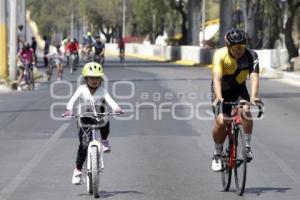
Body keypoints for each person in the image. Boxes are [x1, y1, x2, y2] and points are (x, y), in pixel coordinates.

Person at [64, 62, 123, 185]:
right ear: (86, 79)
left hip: (99, 116)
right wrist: (68, 110)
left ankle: (105, 140)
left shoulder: (102, 90)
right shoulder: (81, 89)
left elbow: (111, 101)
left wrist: (116, 108)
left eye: (97, 78)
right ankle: (77, 170)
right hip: (84, 118)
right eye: (91, 78)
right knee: (84, 146)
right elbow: (72, 101)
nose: (94, 80)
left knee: (106, 117)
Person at [210, 28, 261, 172]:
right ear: (228, 46)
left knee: (245, 110)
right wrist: (219, 97)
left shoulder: (251, 55)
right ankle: (217, 154)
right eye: (235, 47)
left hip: (239, 89)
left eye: (241, 47)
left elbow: (254, 77)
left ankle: (247, 147)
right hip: (221, 89)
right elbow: (217, 79)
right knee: (222, 120)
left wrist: (253, 96)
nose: (239, 50)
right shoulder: (220, 55)